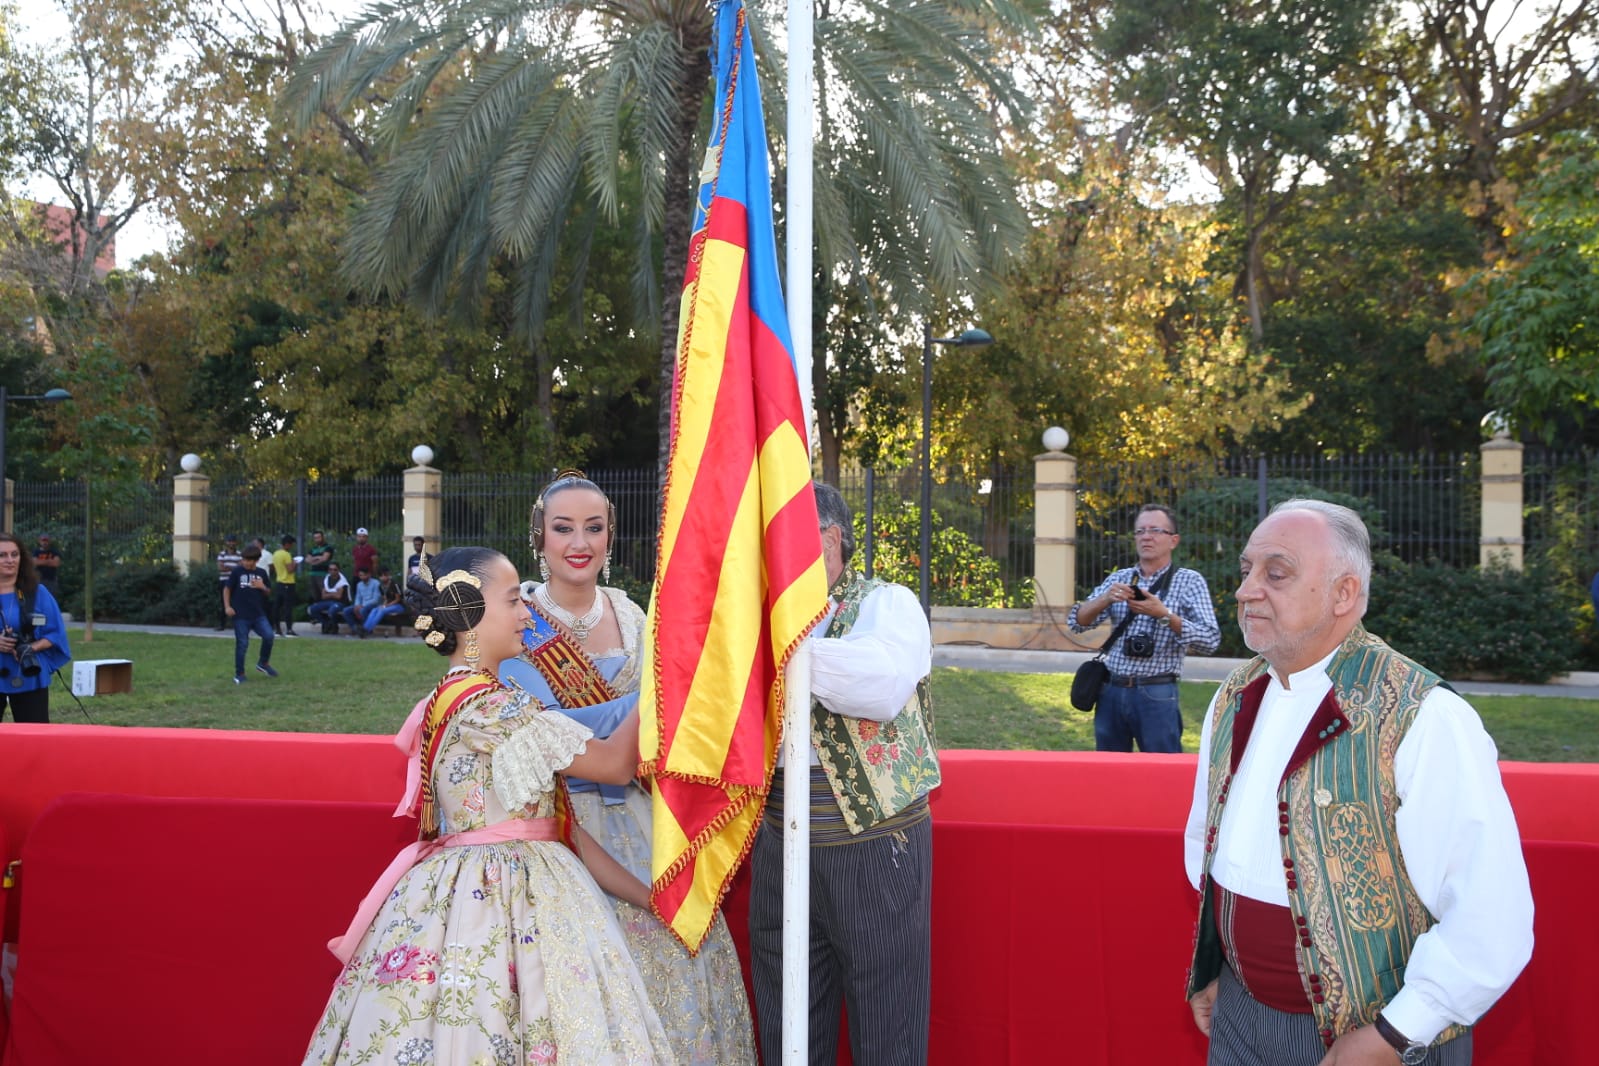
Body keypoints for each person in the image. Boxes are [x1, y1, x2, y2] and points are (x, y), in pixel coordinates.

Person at [1184, 499, 1533, 1066]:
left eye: (1276, 574)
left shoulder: (1424, 715)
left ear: (1344, 594)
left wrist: (1394, 1035)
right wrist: (1228, 969)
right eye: (1246, 570)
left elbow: (1491, 914)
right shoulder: (1234, 696)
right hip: (1241, 1015)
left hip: (1372, 1039)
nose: (1247, 590)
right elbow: (1212, 845)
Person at [301, 546, 674, 1064]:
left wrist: (648, 896)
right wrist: (662, 674)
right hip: (501, 900)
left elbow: (557, 830)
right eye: (513, 601)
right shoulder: (491, 707)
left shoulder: (469, 698)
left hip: (485, 887)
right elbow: (613, 766)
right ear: (468, 614)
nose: (528, 614)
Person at [502, 472, 754, 1065]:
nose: (579, 542)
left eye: (594, 528)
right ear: (539, 537)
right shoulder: (516, 622)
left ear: (611, 537)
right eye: (563, 528)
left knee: (682, 969)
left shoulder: (634, 614)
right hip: (567, 827)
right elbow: (551, 730)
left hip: (649, 820)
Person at [749, 481, 939, 1066]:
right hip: (779, 833)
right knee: (787, 1013)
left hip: (875, 841)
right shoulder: (760, 617)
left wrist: (778, 650)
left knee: (887, 1013)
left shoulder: (887, 601)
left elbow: (878, 687)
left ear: (828, 540)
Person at [1068, 503, 1221, 752]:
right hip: (1111, 691)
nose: (1146, 536)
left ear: (1173, 540)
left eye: (1155, 530)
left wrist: (1163, 615)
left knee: (1163, 774)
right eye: (1140, 531)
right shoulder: (1119, 578)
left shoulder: (1189, 581)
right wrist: (1104, 599)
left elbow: (1210, 640)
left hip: (1157, 692)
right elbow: (1077, 622)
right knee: (1109, 772)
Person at [0, 532, 71, 723]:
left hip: (28, 674)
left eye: (14, 554)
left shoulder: (37, 593)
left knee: (34, 739)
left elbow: (55, 633)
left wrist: (31, 647)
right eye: (2, 555)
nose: (9, 560)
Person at [222, 543, 277, 684]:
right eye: (244, 560)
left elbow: (269, 592)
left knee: (269, 636)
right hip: (240, 615)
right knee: (242, 643)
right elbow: (227, 589)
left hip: (258, 614)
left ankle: (263, 663)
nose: (246, 563)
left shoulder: (261, 573)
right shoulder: (237, 572)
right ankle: (239, 674)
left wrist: (262, 586)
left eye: (249, 560)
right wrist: (227, 606)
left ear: (256, 560)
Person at [360, 568, 408, 635]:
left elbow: (398, 599)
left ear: (388, 575)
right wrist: (383, 605)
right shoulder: (381, 586)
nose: (383, 577)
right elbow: (385, 599)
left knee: (382, 611)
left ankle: (367, 629)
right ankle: (365, 627)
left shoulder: (395, 584)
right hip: (389, 605)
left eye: (385, 575)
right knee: (374, 609)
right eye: (381, 576)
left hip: (399, 606)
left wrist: (386, 606)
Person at [307, 561, 351, 633]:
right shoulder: (326, 579)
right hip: (327, 601)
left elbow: (339, 596)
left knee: (332, 610)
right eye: (330, 569)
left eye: (335, 569)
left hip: (340, 602)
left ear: (339, 570)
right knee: (311, 609)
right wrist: (334, 593)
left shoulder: (342, 581)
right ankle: (326, 623)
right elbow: (323, 596)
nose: (332, 571)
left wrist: (329, 593)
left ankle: (334, 626)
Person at [341, 567, 382, 637]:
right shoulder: (359, 585)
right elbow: (358, 597)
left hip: (373, 605)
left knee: (363, 610)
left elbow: (376, 599)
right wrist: (357, 605)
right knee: (346, 611)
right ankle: (355, 629)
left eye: (364, 575)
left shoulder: (376, 583)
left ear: (369, 575)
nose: (362, 577)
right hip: (361, 605)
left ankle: (366, 629)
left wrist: (362, 605)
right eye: (360, 575)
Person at [271, 534, 299, 636]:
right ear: (287, 544)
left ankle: (277, 629)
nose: (291, 547)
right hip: (288, 582)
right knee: (288, 607)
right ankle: (289, 629)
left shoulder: (275, 554)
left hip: (279, 582)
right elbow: (290, 570)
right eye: (291, 544)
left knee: (277, 606)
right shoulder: (286, 555)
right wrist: (295, 564)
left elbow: (274, 568)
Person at [214, 534, 242, 630]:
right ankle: (222, 625)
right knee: (223, 603)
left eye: (233, 541)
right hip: (224, 581)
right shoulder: (222, 554)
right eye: (229, 541)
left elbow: (241, 568)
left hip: (235, 581)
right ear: (226, 543)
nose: (231, 543)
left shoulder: (240, 554)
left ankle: (237, 624)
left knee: (236, 603)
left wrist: (228, 567)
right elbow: (220, 568)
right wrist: (234, 568)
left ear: (236, 542)